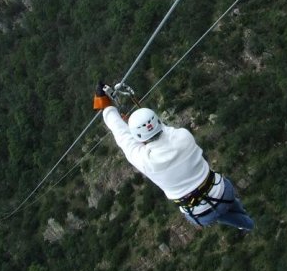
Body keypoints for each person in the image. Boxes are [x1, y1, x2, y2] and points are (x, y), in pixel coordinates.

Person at [92, 84, 254, 231]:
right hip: (223, 190)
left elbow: (121, 135)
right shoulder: (183, 136)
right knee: (226, 200)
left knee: (217, 212)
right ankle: (243, 219)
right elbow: (163, 128)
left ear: (138, 137)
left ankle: (246, 225)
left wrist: (106, 107)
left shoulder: (146, 161)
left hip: (200, 213)